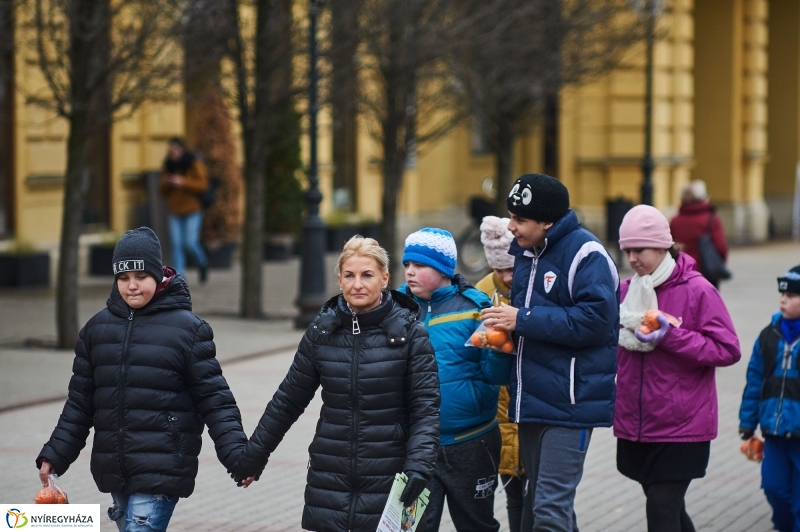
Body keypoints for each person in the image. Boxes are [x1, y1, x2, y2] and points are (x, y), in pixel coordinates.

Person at [35, 227, 247, 532]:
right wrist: (56, 453)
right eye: (123, 278)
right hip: (115, 469)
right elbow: (80, 403)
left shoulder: (189, 331)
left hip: (163, 468)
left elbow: (216, 401)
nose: (132, 286)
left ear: (158, 276)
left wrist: (238, 458)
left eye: (140, 277)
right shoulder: (96, 331)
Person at [231, 236, 440, 532]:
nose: (357, 284)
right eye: (349, 275)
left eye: (367, 275)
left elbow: (426, 410)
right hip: (330, 479)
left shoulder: (410, 334)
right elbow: (288, 400)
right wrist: (254, 456)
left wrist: (419, 465)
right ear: (339, 279)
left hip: (388, 478)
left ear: (384, 278)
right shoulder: (321, 331)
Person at [481, 173, 619, 532]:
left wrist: (521, 319)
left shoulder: (586, 253)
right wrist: (500, 335)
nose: (511, 227)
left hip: (569, 403)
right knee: (544, 504)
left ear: (548, 222)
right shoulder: (527, 251)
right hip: (531, 400)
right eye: (510, 216)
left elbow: (596, 322)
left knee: (549, 509)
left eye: (520, 219)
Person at [616, 205, 741, 532]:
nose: (631, 259)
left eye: (638, 250)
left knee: (661, 510)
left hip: (682, 426)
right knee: (669, 511)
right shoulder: (627, 291)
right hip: (637, 422)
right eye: (627, 250)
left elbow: (727, 349)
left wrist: (671, 336)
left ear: (662, 246)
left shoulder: (697, 289)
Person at [400, 227, 513, 532]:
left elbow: (497, 376)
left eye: (420, 266)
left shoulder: (475, 308)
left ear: (443, 269)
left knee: (476, 524)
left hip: (472, 441)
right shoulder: (395, 308)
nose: (410, 272)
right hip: (415, 445)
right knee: (411, 527)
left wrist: (502, 350)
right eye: (407, 265)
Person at [474, 215, 531, 532]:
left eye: (513, 268)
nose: (508, 277)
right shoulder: (481, 293)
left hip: (532, 402)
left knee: (542, 497)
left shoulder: (534, 286)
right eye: (500, 270)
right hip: (499, 408)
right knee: (513, 494)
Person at [739, 265, 800, 532]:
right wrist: (747, 421)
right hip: (774, 433)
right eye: (782, 295)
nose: (783, 299)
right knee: (774, 488)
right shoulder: (768, 335)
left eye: (792, 295)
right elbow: (755, 381)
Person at [159, 137, 210, 283]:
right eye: (171, 151)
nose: (173, 153)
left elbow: (203, 185)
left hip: (192, 209)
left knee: (190, 242)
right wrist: (167, 182)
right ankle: (179, 277)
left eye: (175, 150)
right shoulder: (168, 165)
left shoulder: (193, 163)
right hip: (174, 210)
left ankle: (202, 262)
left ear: (182, 149)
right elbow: (161, 191)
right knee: (177, 244)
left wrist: (183, 182)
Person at [669, 180, 729, 288]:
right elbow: (721, 247)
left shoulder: (674, 221)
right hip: (706, 272)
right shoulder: (711, 220)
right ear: (703, 198)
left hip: (681, 273)